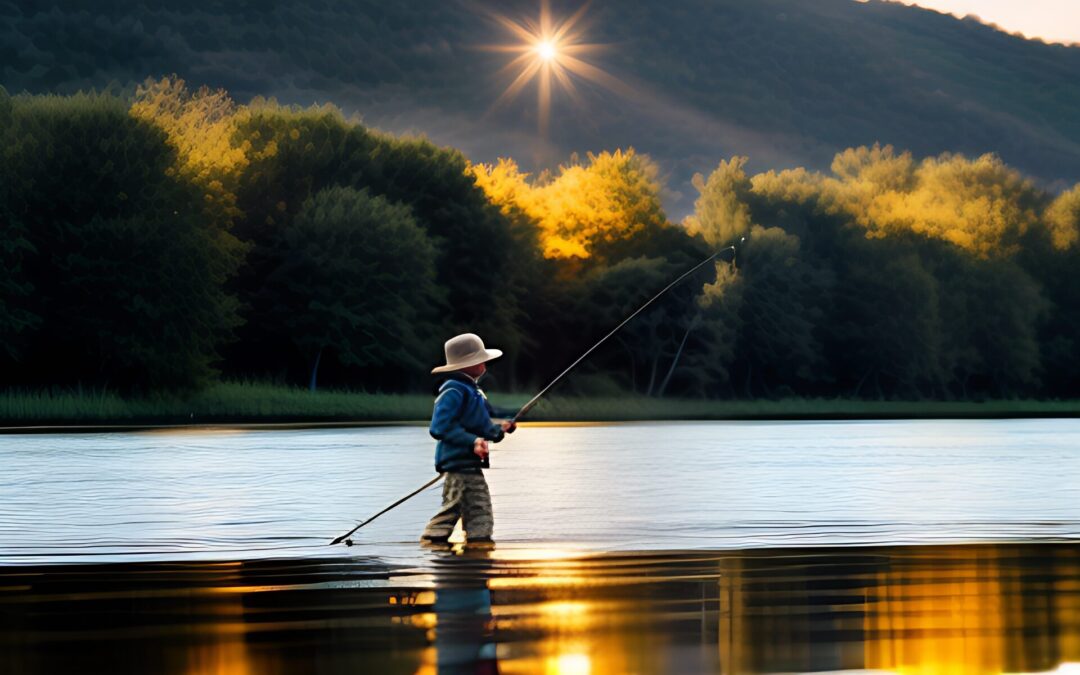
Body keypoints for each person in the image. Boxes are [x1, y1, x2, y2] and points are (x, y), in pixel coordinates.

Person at [422, 333, 515, 547]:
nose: (484, 363)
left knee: (476, 508)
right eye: (480, 359)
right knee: (458, 506)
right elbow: (439, 427)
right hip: (457, 462)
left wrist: (501, 428)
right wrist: (472, 441)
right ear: (467, 364)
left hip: (469, 464)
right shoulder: (453, 390)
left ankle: (478, 548)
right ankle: (432, 541)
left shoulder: (473, 391)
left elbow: (482, 424)